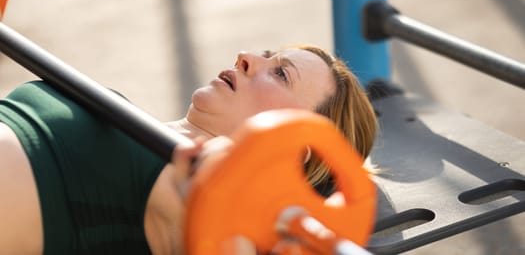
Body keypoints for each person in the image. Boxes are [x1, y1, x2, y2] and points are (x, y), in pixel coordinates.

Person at [0, 44, 377, 254]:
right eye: (267, 55)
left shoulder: (194, 200)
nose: (244, 56)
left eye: (280, 73)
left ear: (299, 145)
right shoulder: (138, 126)